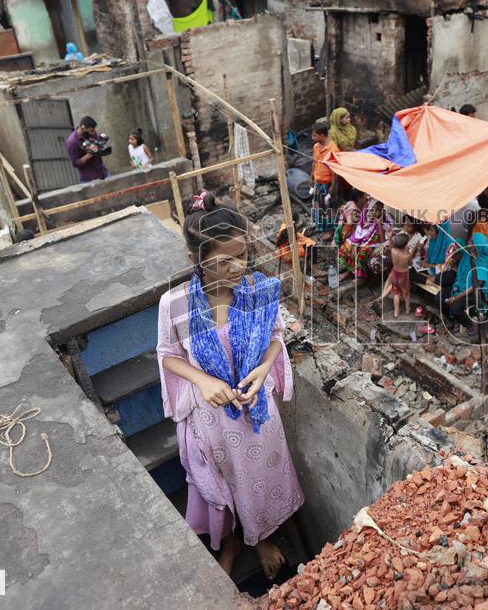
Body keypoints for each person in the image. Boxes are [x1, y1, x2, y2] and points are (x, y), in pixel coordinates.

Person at [157, 191, 304, 580]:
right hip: (213, 419)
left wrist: (262, 370)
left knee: (261, 477)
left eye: (243, 254)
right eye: (224, 261)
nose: (238, 267)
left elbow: (276, 336)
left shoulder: (257, 290)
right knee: (225, 482)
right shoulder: (174, 304)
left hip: (255, 409)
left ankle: (262, 537)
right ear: (196, 261)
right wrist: (203, 381)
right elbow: (168, 354)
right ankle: (234, 541)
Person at [337, 198, 390, 283]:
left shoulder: (385, 220)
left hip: (375, 244)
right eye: (373, 209)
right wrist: (355, 244)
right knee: (346, 247)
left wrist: (379, 224)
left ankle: (360, 277)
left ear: (382, 210)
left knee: (362, 252)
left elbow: (383, 240)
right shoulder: (366, 216)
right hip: (360, 241)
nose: (375, 212)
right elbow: (358, 233)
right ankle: (349, 270)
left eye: (378, 210)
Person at [310, 121, 338, 234]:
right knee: (317, 207)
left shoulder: (333, 149)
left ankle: (330, 230)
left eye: (315, 135)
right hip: (318, 181)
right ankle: (320, 227)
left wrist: (333, 186)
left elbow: (335, 171)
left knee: (328, 208)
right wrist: (311, 177)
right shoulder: (316, 147)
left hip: (327, 183)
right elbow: (314, 163)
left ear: (322, 135)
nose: (313, 138)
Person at [65, 116, 108, 182]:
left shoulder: (91, 134)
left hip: (104, 173)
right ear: (83, 128)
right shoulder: (72, 142)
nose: (93, 133)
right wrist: (89, 155)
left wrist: (100, 145)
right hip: (89, 179)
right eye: (91, 131)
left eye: (94, 130)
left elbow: (97, 143)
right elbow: (76, 163)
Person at [385, 232, 413, 317]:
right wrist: (408, 251)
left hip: (394, 273)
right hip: (403, 275)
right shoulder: (406, 256)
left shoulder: (393, 251)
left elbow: (391, 245)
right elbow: (410, 263)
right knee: (406, 293)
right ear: (405, 245)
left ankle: (396, 312)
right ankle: (408, 309)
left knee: (396, 293)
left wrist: (390, 237)